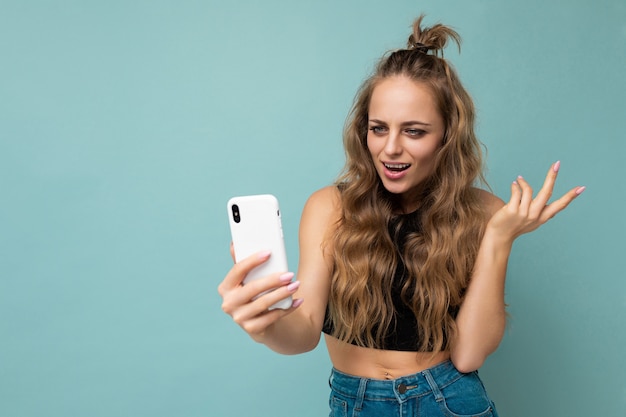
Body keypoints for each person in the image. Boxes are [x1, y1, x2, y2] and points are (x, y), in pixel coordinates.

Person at [218, 15, 584, 417]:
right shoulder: (330, 207)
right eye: (378, 128)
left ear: (447, 136)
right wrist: (264, 324)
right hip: (354, 402)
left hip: (450, 401)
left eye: (414, 131)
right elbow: (302, 333)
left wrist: (499, 239)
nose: (390, 148)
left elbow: (468, 356)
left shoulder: (484, 213)